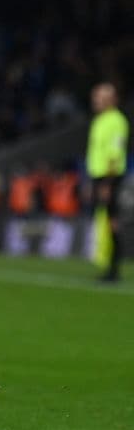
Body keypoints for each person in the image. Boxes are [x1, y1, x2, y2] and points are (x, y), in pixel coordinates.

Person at [86, 82, 128, 282]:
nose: (95, 101)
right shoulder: (100, 120)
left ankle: (113, 268)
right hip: (99, 177)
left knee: (112, 222)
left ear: (111, 99)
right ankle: (106, 265)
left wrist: (108, 184)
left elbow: (115, 153)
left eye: (99, 97)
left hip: (109, 178)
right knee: (105, 222)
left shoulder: (116, 121)